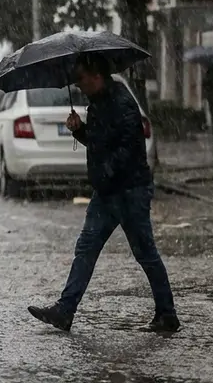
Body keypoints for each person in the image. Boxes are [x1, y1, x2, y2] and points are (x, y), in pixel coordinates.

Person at [28, 53, 179, 333]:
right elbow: (99, 143)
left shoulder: (122, 103)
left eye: (81, 79)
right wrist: (80, 131)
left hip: (129, 190)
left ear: (96, 75)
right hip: (107, 193)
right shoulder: (97, 102)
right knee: (86, 249)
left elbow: (128, 148)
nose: (78, 86)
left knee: (145, 253)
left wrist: (106, 171)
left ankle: (167, 314)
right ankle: (65, 310)